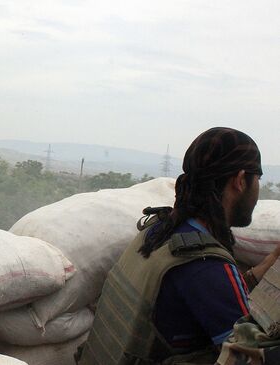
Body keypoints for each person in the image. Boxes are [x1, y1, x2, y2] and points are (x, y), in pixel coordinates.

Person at [78, 127, 280, 365]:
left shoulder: (159, 231)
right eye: (257, 179)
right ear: (239, 180)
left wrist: (266, 266)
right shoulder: (204, 264)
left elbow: (203, 295)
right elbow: (248, 355)